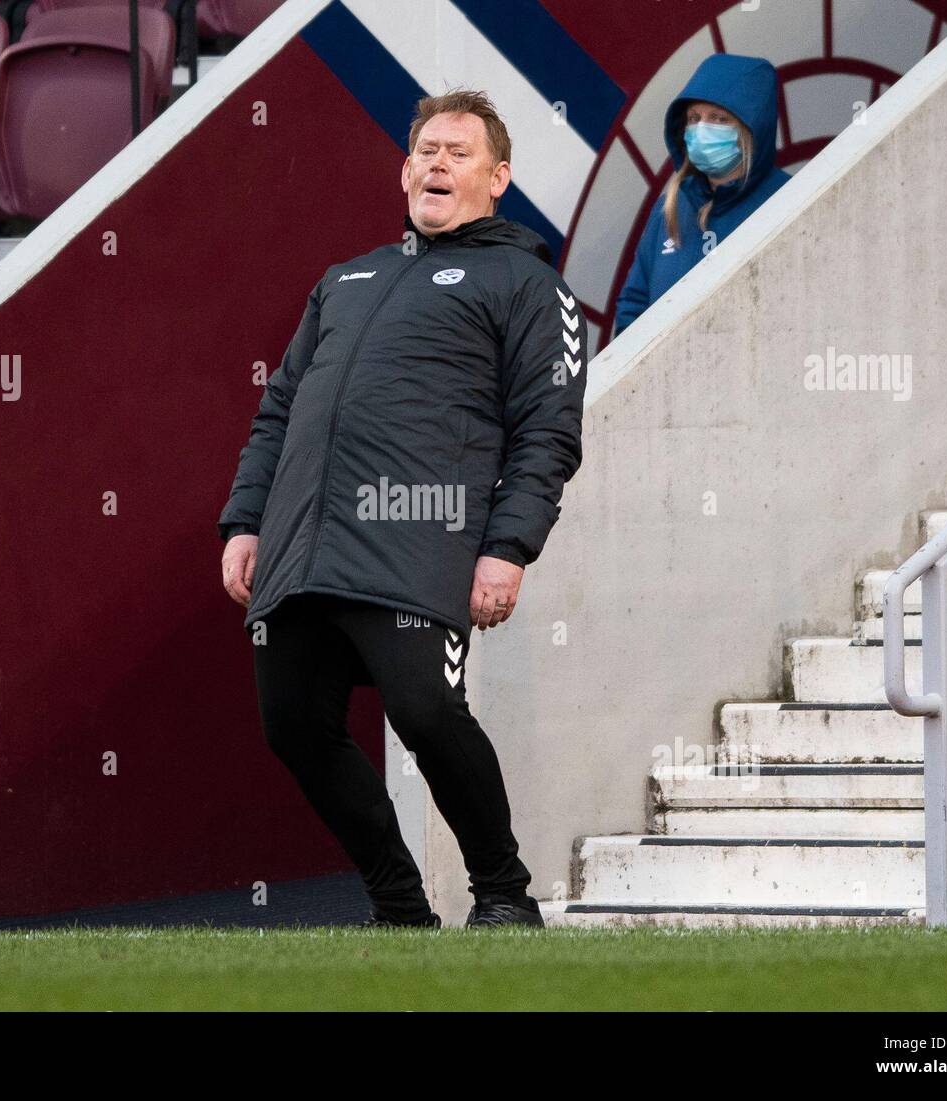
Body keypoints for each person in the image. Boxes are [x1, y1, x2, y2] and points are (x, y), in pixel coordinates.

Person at [217, 89, 587, 929]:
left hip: (419, 546)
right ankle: (399, 907)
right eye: (425, 150)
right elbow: (279, 410)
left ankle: (502, 894)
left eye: (459, 152)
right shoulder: (345, 278)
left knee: (425, 712)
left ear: (498, 177)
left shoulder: (529, 284)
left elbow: (548, 431)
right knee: (294, 727)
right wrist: (245, 521)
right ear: (403, 171)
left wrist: (508, 547)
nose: (438, 164)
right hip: (302, 547)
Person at [613, 53, 791, 337]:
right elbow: (633, 305)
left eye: (719, 119)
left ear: (751, 128)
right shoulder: (672, 205)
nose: (702, 129)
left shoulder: (787, 200)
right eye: (694, 118)